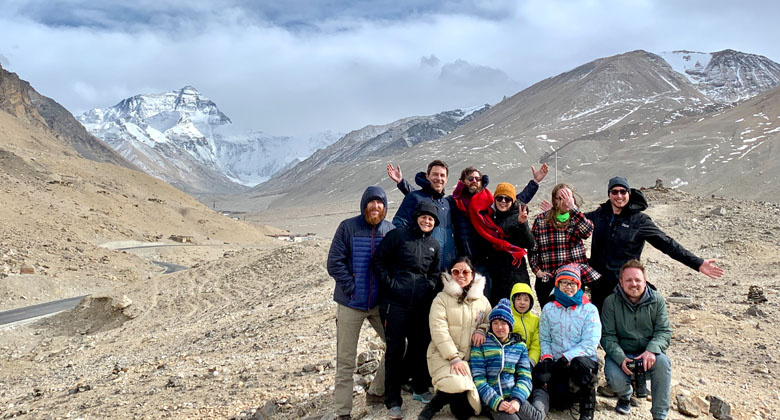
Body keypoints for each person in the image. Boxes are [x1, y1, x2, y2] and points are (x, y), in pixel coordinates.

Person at [388, 163, 548, 295]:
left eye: (477, 179)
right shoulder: (453, 202)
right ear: (463, 181)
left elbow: (512, 201)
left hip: (484, 261)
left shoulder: (488, 203)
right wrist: (402, 184)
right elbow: (428, 202)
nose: (474, 181)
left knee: (485, 300)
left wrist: (534, 183)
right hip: (462, 260)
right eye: (470, 178)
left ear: (481, 182)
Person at [584, 176, 724, 311]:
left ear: (629, 193)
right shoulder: (599, 215)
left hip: (623, 283)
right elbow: (574, 220)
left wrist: (698, 263)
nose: (619, 196)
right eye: (615, 192)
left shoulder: (640, 221)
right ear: (609, 194)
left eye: (623, 192)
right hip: (598, 284)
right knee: (600, 325)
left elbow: (667, 244)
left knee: (623, 325)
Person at [327, 186, 395, 419]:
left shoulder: (390, 230)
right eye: (371, 202)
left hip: (379, 304)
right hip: (350, 304)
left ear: (385, 207)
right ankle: (343, 413)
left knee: (399, 344)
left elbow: (396, 264)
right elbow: (334, 263)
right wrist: (352, 287)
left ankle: (376, 391)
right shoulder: (348, 227)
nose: (375, 207)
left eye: (380, 203)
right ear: (364, 204)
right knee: (345, 361)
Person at [374, 201, 442, 419]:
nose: (427, 221)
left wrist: (429, 287)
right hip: (395, 303)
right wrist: (391, 286)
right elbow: (379, 261)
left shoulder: (434, 244)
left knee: (420, 346)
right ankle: (393, 400)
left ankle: (421, 388)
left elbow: (435, 272)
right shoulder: (398, 236)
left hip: (420, 304)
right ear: (416, 217)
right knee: (394, 350)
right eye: (423, 217)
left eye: (431, 219)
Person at [419, 257, 492, 420]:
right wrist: (453, 357)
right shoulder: (441, 299)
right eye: (456, 272)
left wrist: (481, 329)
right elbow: (439, 330)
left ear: (472, 275)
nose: (461, 275)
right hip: (445, 356)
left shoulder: (482, 300)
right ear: (450, 275)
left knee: (463, 412)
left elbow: (490, 320)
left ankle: (443, 399)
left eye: (465, 271)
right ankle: (434, 404)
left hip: (472, 359)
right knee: (458, 387)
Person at [601, 259, 672, 420]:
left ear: (644, 281)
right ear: (621, 281)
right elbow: (607, 336)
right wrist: (620, 358)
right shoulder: (610, 302)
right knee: (614, 377)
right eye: (628, 280)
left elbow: (664, 331)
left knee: (663, 363)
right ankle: (625, 395)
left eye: (637, 280)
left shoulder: (657, 301)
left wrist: (652, 350)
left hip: (648, 354)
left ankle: (660, 414)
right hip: (622, 353)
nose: (634, 284)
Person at [536, 264, 601, 420]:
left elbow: (590, 343)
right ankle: (571, 395)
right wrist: (547, 357)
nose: (568, 287)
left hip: (582, 361)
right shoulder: (549, 309)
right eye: (564, 282)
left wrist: (568, 357)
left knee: (581, 364)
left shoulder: (589, 309)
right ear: (557, 284)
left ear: (578, 285)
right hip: (558, 362)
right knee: (560, 402)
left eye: (572, 283)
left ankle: (587, 408)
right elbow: (545, 338)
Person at [470, 298, 549, 420]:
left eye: (503, 323)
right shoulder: (481, 344)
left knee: (536, 417)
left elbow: (524, 376)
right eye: (495, 323)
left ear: (510, 325)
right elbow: (479, 378)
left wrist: (517, 399)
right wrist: (496, 401)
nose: (499, 327)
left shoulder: (519, 346)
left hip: (514, 395)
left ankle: (541, 393)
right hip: (493, 399)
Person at [529, 183, 601, 308]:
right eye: (560, 198)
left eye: (567, 197)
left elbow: (587, 231)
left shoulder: (577, 218)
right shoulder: (541, 220)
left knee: (575, 315)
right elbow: (533, 248)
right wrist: (537, 270)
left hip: (573, 278)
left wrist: (572, 208)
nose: (564, 201)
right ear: (554, 200)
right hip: (549, 277)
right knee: (551, 316)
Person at [390, 160, 455, 271]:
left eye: (442, 175)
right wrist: (413, 252)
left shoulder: (446, 204)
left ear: (447, 178)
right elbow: (398, 226)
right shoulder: (414, 197)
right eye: (435, 174)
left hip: (445, 269)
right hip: (422, 267)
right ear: (427, 176)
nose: (439, 178)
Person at [487, 182, 535, 306]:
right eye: (499, 198)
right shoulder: (491, 218)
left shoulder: (518, 216)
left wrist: (522, 224)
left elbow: (530, 243)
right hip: (496, 274)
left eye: (507, 199)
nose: (503, 201)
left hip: (515, 273)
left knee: (518, 309)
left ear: (512, 201)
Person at [510, 282, 541, 367]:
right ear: (513, 300)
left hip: (528, 361)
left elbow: (536, 345)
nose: (522, 303)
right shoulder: (508, 318)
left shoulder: (535, 320)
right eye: (518, 299)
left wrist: (531, 361)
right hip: (510, 360)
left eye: (526, 299)